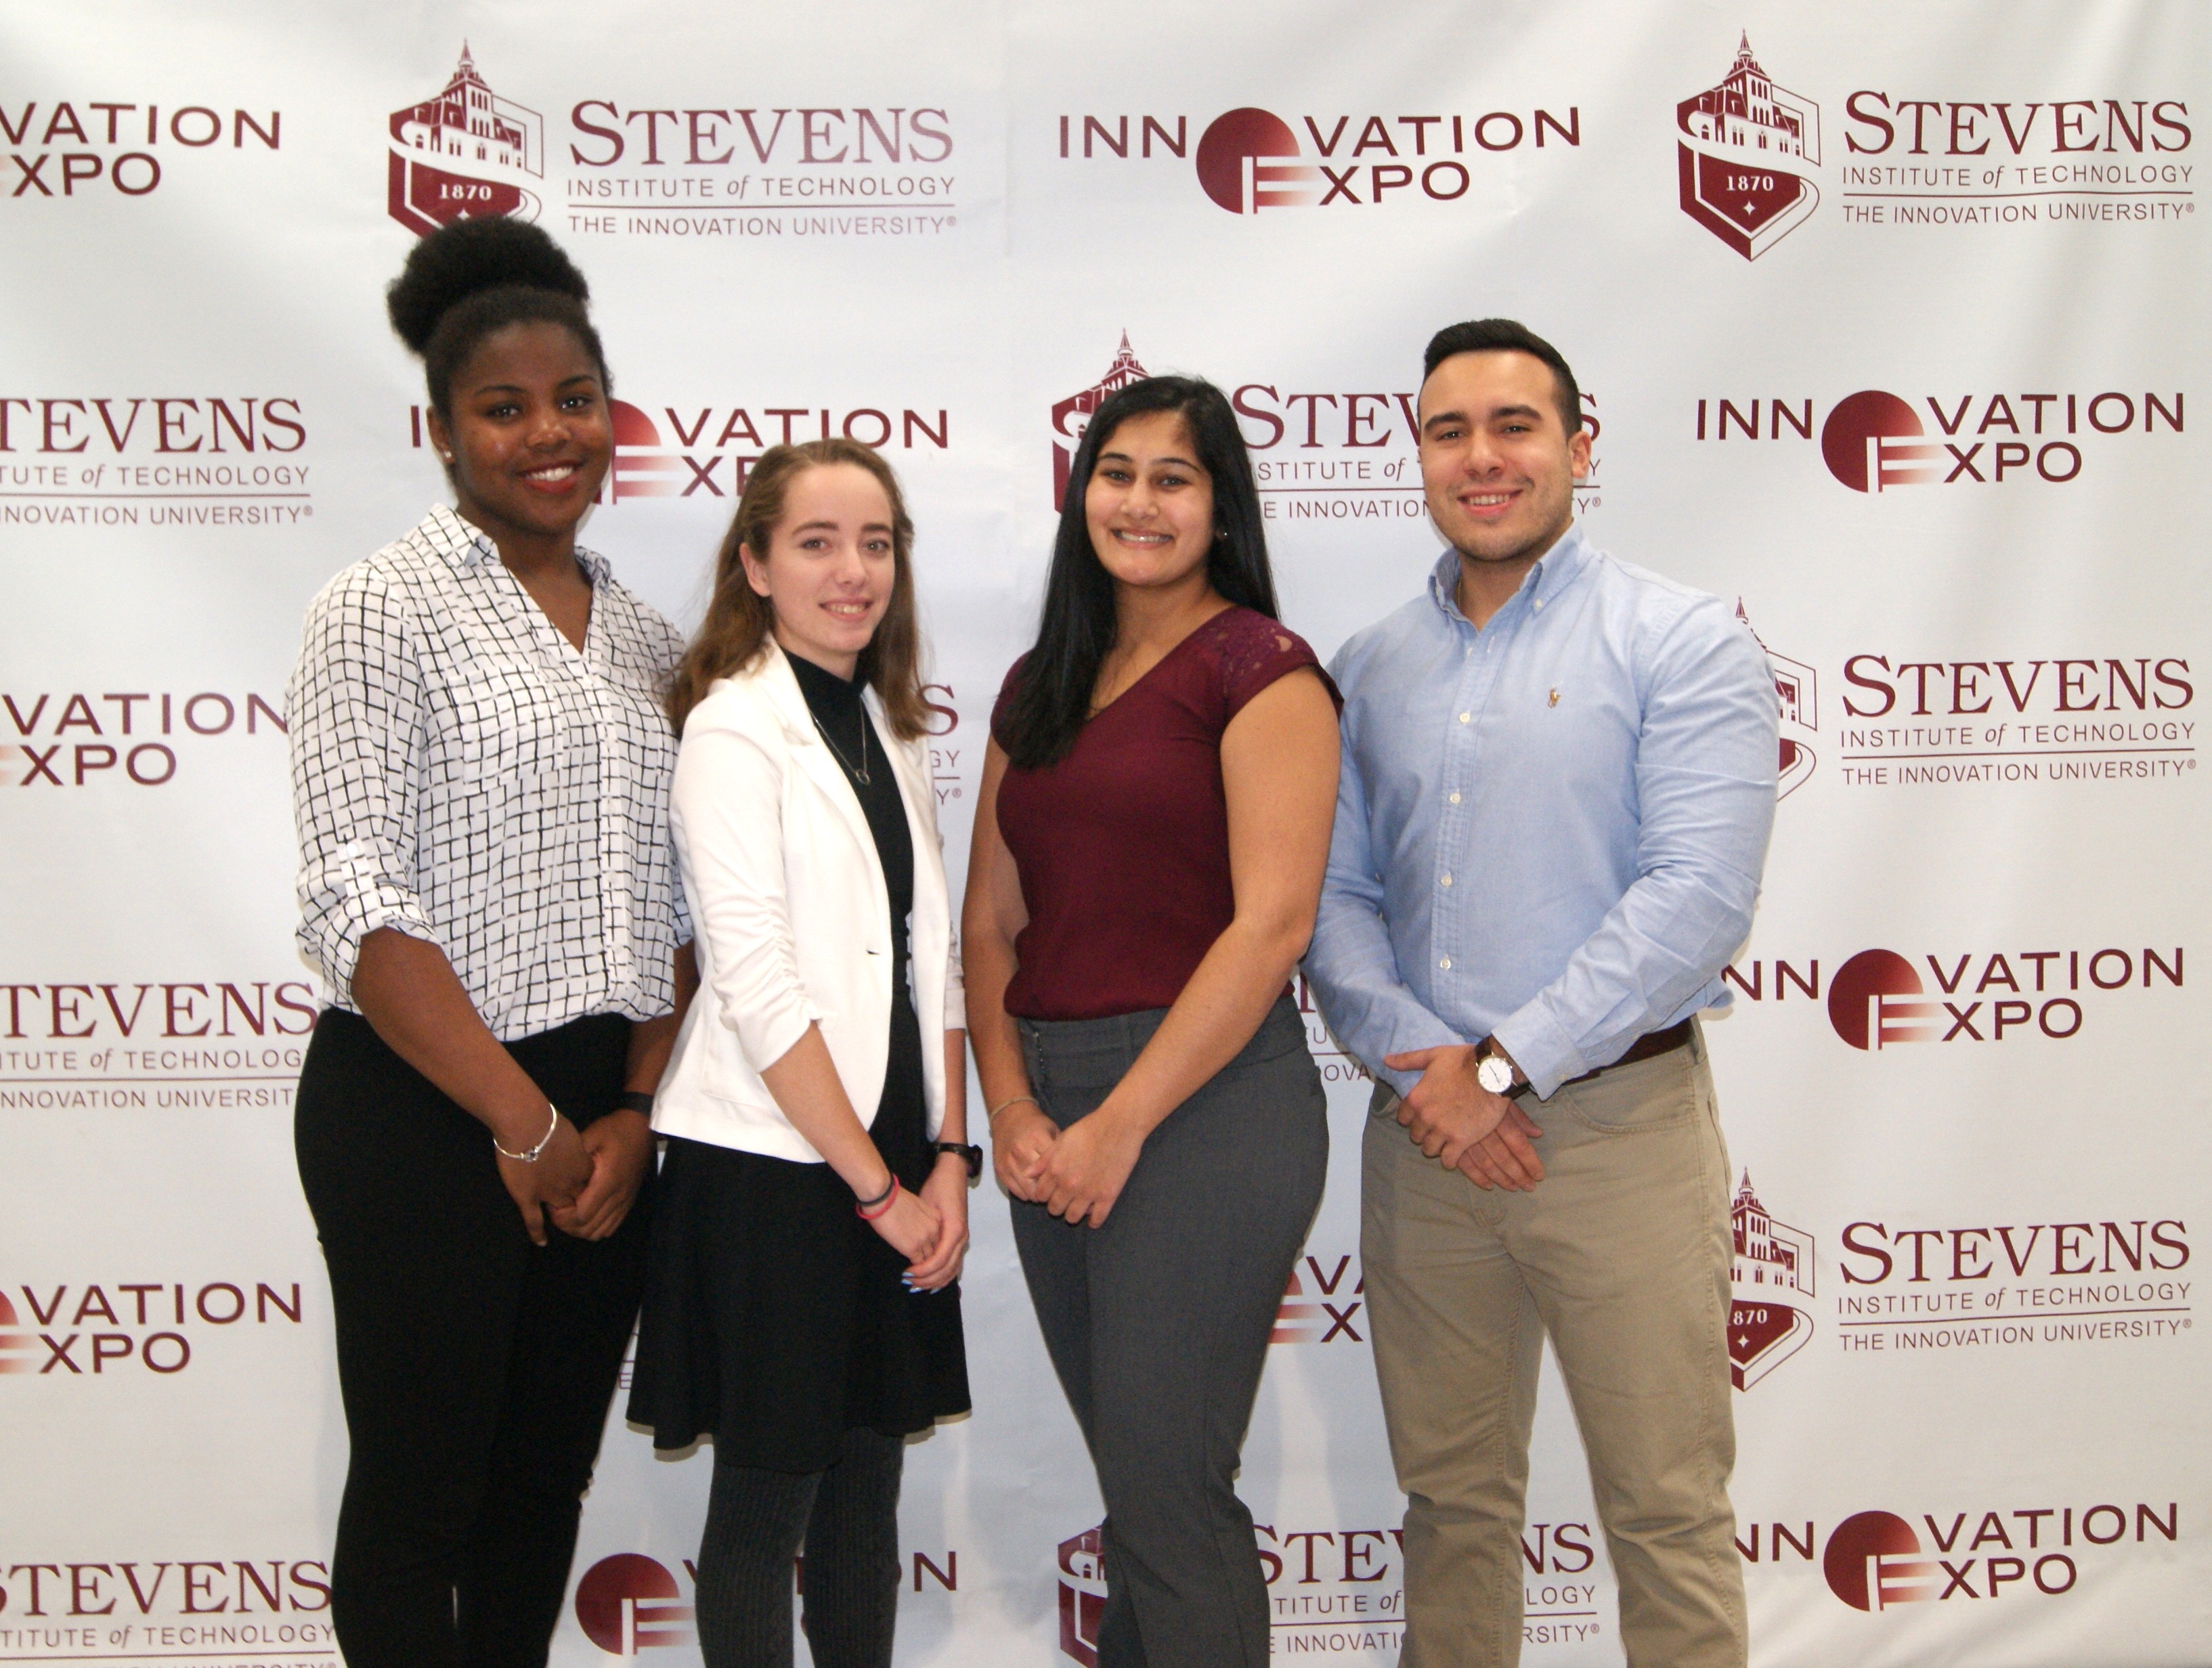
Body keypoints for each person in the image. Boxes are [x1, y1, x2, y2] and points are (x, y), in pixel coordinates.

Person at [1303, 320, 1777, 1668]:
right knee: (1450, 1504)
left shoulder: (1678, 639)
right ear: (1420, 459)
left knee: (1664, 1506)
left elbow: (1696, 901)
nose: (1482, 456)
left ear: (1576, 447)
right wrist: (1425, 1069)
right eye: (1449, 430)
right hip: (1424, 1140)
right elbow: (1332, 902)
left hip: (1617, 1133)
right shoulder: (1369, 663)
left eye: (1514, 424)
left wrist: (1500, 1068)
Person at [287, 216, 693, 1668]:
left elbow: (683, 916)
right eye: (504, 407)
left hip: (604, 1124)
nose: (548, 433)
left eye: (573, 398)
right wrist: (522, 1121)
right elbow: (354, 896)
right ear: (444, 430)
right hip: (425, 1104)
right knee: (419, 1493)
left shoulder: (653, 639)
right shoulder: (377, 606)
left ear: (610, 412)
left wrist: (632, 1114)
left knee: (538, 1487)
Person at [964, 375, 1341, 1668]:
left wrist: (1116, 1124)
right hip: (1050, 1106)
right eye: (1115, 472)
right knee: (1143, 1488)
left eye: (1173, 477)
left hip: (1204, 1107)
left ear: (1220, 507)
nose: (1138, 500)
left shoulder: (1262, 670)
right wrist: (1012, 1107)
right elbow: (988, 926)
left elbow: (1271, 927)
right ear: (1081, 496)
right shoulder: (1039, 681)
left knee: (1170, 1495)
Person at [630, 439, 972, 1668]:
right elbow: (763, 988)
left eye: (875, 543)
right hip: (775, 1171)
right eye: (818, 542)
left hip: (890, 1154)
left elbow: (934, 964)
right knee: (767, 1500)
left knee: (867, 1489)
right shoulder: (733, 730)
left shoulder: (889, 728)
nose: (853, 570)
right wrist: (875, 1190)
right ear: (755, 565)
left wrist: (943, 1159)